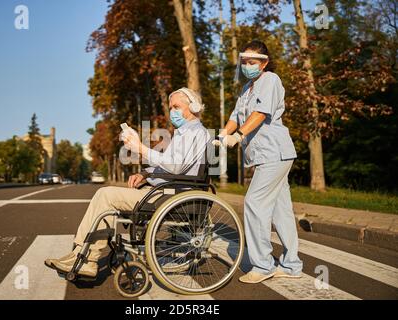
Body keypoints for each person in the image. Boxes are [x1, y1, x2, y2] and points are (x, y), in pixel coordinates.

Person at [44, 87, 210, 278]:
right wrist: (145, 174)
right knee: (107, 199)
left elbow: (175, 167)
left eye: (176, 106)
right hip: (168, 191)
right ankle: (81, 254)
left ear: (194, 107)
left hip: (173, 196)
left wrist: (141, 148)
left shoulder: (195, 133)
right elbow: (171, 165)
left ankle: (86, 258)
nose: (172, 111)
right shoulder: (185, 133)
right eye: (171, 107)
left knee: (105, 195)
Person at [215, 40, 303, 284]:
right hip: (266, 155)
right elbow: (235, 116)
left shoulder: (270, 80)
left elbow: (261, 113)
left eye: (252, 61)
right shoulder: (246, 89)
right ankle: (292, 265)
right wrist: (223, 135)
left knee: (254, 202)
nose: (247, 65)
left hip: (274, 152)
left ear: (264, 63)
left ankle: (263, 265)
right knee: (280, 210)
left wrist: (239, 136)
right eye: (244, 61)